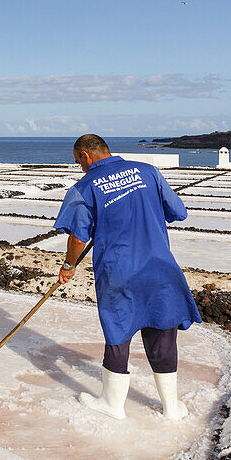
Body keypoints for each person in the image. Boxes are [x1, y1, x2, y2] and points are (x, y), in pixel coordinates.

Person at [55, 134, 201, 421]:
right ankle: (171, 408)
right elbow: (178, 212)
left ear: (85, 156)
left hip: (118, 272)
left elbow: (77, 236)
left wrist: (69, 266)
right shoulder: (148, 171)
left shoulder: (83, 188)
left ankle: (112, 403)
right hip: (160, 268)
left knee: (118, 332)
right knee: (162, 332)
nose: (79, 168)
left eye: (77, 162)